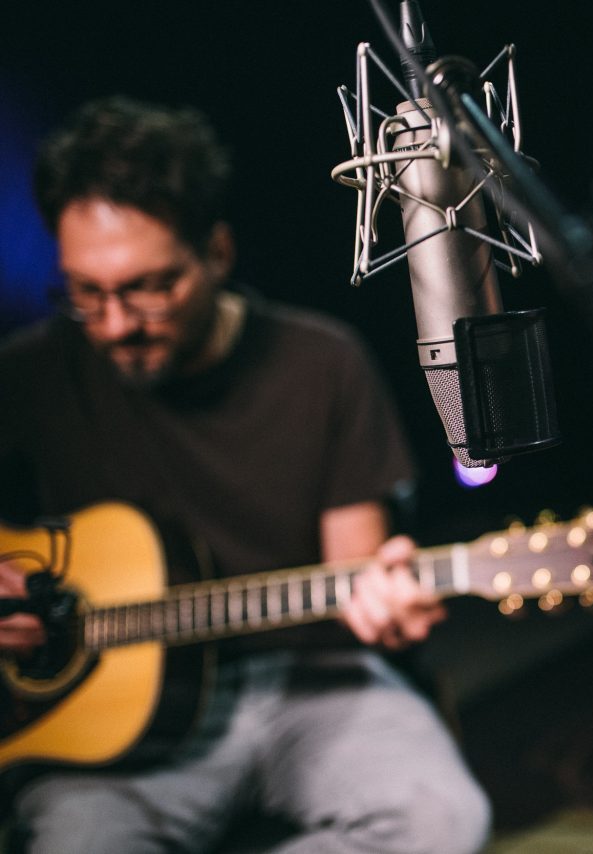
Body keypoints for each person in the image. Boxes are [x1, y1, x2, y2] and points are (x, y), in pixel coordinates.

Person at [0, 97, 490, 853]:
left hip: (310, 681)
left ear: (218, 254)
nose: (116, 324)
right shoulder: (27, 378)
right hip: (105, 721)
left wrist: (384, 605)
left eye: (149, 287)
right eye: (86, 295)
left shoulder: (323, 364)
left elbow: (356, 573)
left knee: (440, 820)